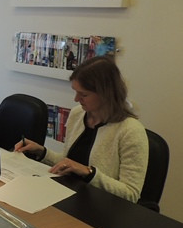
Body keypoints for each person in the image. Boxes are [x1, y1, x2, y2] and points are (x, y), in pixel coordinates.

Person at [15, 56, 148, 203]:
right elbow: (68, 163)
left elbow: (131, 194)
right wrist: (42, 152)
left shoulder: (131, 131)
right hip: (68, 196)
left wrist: (88, 172)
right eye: (75, 91)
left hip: (101, 207)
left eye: (84, 94)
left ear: (106, 94)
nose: (76, 99)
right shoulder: (77, 114)